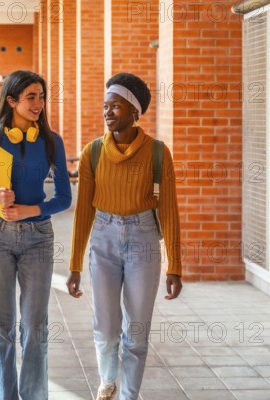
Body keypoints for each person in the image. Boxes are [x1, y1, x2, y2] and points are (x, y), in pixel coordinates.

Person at [66, 73, 183, 400]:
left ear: (134, 111)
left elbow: (170, 212)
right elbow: (83, 213)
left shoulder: (158, 153)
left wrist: (175, 265)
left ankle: (129, 394)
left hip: (143, 240)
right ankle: (108, 381)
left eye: (115, 106)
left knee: (136, 332)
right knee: (105, 326)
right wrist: (74, 265)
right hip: (103, 240)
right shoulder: (92, 153)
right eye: (105, 106)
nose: (107, 112)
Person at [0, 70, 72, 400]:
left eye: (41, 96)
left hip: (38, 237)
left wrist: (30, 211)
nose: (38, 103)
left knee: (36, 328)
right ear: (11, 100)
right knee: (1, 327)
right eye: (31, 97)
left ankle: (34, 396)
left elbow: (64, 198)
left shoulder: (52, 142)